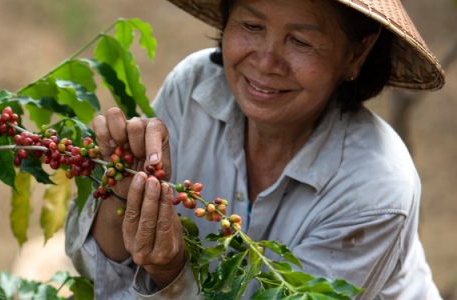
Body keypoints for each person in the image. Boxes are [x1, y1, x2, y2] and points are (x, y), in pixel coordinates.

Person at [65, 0, 446, 298]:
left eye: (300, 41)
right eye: (251, 26)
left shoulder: (375, 189)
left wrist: (171, 273)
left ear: (356, 54)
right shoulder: (194, 91)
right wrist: (119, 190)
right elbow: (101, 274)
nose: (266, 62)